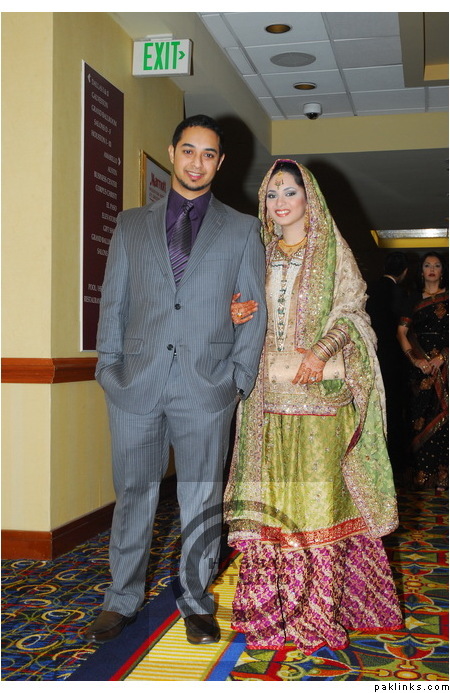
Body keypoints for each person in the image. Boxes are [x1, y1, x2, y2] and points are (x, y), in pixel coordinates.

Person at [83, 115, 267, 645]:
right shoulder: (131, 225)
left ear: (221, 162)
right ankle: (121, 598)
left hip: (206, 388)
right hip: (134, 385)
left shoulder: (241, 229)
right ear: (172, 153)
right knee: (132, 495)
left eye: (208, 154)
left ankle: (196, 601)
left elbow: (253, 312)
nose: (197, 163)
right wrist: (108, 368)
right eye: (189, 150)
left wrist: (238, 380)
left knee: (201, 500)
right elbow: (114, 302)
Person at [225, 159, 402, 653]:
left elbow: (353, 310)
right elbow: (238, 307)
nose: (280, 202)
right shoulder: (255, 251)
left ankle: (318, 613)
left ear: (310, 199)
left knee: (317, 505)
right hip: (265, 403)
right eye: (272, 194)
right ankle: (272, 611)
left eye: (290, 192)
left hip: (320, 403)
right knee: (273, 506)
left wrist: (322, 351)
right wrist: (235, 312)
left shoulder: (332, 252)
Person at [397, 252, 448, 492]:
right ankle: (420, 476)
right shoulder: (413, 299)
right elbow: (401, 333)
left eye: (437, 265)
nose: (432, 269)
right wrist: (416, 361)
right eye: (427, 265)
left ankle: (443, 475)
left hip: (446, 368)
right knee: (418, 419)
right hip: (420, 370)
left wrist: (442, 357)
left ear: (442, 270)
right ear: (421, 271)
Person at [366, 252, 409, 477]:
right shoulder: (399, 292)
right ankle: (394, 465)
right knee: (393, 410)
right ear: (405, 272)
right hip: (393, 360)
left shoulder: (369, 288)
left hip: (370, 357)